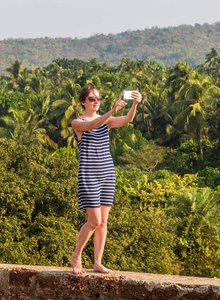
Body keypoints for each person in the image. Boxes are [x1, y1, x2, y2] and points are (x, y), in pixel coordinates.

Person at [70, 85, 142, 274]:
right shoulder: (77, 122)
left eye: (98, 99)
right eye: (92, 99)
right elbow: (93, 125)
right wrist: (112, 110)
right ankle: (76, 255)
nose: (95, 102)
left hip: (107, 173)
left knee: (103, 222)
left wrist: (134, 103)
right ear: (83, 102)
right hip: (89, 174)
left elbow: (128, 119)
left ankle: (97, 262)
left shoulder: (107, 121)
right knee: (93, 221)